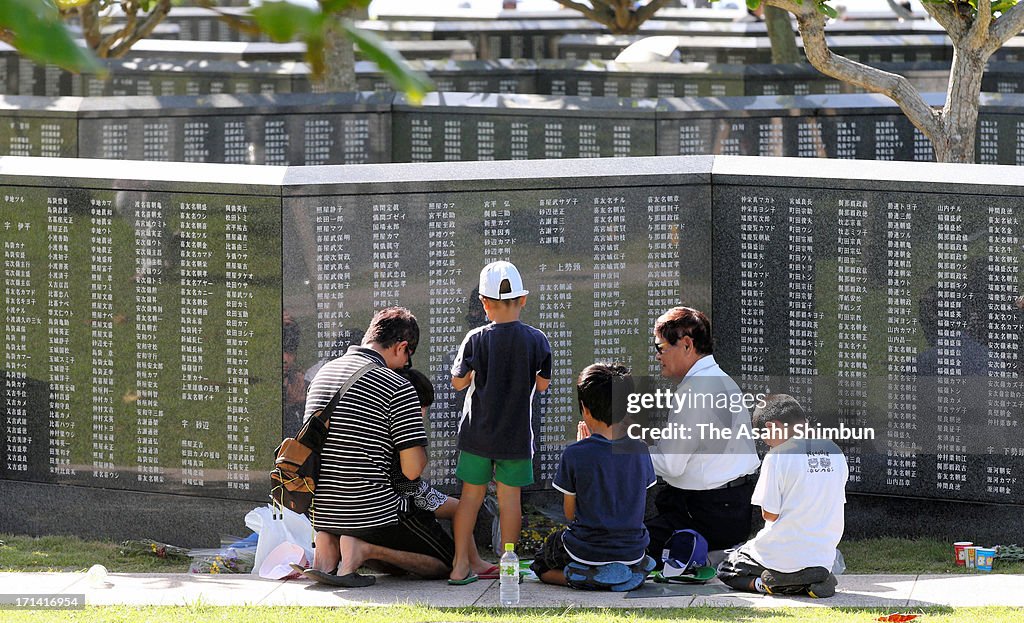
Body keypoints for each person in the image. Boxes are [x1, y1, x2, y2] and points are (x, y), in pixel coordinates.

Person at [301, 307, 454, 587]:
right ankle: (364, 549)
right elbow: (410, 471)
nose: (406, 365)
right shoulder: (397, 385)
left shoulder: (323, 374)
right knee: (448, 562)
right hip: (372, 510)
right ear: (402, 348)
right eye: (408, 357)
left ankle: (330, 543)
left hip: (321, 509)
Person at [448, 260, 552, 584]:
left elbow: (458, 383)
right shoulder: (537, 340)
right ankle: (509, 563)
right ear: (523, 299)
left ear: (483, 303)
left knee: (470, 499)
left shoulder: (475, 339)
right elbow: (543, 384)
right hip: (516, 436)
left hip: (477, 435)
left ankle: (459, 565)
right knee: (510, 502)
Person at [644, 306, 761, 557]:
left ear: (687, 345)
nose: (657, 356)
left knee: (626, 547)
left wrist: (624, 450)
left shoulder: (696, 390)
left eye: (660, 348)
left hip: (704, 516)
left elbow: (670, 464)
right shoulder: (721, 379)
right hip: (731, 509)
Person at [531, 363, 656, 590]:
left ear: (584, 408)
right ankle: (632, 572)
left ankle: (583, 576)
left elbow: (570, 514)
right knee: (628, 558)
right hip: (632, 549)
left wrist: (583, 449)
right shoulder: (640, 449)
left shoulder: (575, 454)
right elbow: (638, 503)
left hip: (588, 549)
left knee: (542, 563)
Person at [717, 394, 848, 598]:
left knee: (727, 568)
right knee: (805, 564)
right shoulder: (835, 451)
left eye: (764, 436)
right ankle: (813, 580)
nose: (767, 443)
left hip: (782, 554)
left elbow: (770, 515)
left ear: (772, 426)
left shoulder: (777, 456)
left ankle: (771, 584)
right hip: (823, 556)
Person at [392, 367, 500, 579]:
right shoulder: (404, 420)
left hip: (407, 490)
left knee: (460, 508)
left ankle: (474, 561)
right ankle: (473, 562)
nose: (424, 414)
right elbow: (413, 472)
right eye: (422, 407)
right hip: (405, 495)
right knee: (459, 514)